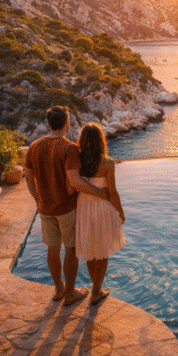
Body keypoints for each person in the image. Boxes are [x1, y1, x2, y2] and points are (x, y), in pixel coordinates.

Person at [25, 106, 102, 306]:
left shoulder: (34, 146)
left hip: (45, 208)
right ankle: (69, 294)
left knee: (52, 248)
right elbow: (75, 181)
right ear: (67, 123)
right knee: (70, 249)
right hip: (67, 208)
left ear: (49, 123)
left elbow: (28, 177)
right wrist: (101, 193)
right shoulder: (69, 148)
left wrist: (37, 199)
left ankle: (58, 289)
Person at [70, 122, 125, 305]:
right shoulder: (108, 163)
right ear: (101, 140)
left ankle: (96, 289)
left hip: (84, 208)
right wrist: (121, 211)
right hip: (103, 208)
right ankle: (96, 291)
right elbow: (113, 192)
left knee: (90, 250)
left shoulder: (76, 162)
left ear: (82, 140)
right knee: (102, 253)